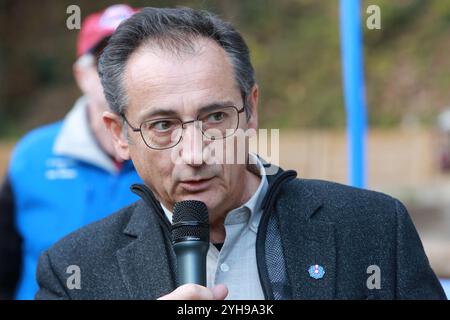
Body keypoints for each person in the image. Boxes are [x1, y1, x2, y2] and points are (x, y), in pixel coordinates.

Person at [35, 7, 446, 300]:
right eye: (163, 125)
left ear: (251, 112)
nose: (193, 153)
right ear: (119, 134)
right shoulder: (75, 270)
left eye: (214, 117)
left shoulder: (374, 229)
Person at [0, 4, 141, 300]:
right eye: (105, 59)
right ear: (81, 75)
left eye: (132, 57)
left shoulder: (181, 156)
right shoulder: (32, 155)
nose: (118, 72)